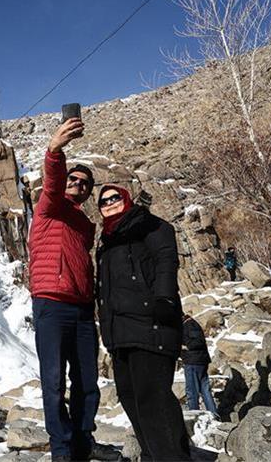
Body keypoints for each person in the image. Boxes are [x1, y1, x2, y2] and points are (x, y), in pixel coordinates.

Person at [28, 117, 116, 462]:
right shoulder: (48, 208)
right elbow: (51, 183)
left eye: (85, 183)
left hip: (81, 311)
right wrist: (55, 149)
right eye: (73, 179)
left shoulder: (84, 223)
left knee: (88, 384)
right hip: (50, 305)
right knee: (53, 382)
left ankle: (82, 443)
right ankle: (61, 450)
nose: (78, 184)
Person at [96, 185, 191, 461]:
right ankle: (154, 454)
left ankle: (172, 457)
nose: (110, 203)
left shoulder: (149, 225)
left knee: (153, 397)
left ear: (126, 200)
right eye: (104, 201)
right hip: (120, 332)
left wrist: (164, 299)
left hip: (152, 323)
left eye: (115, 198)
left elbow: (165, 260)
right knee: (129, 396)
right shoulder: (107, 241)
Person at [182, 314, 218, 416]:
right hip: (199, 361)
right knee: (205, 390)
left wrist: (185, 346)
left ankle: (195, 416)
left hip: (193, 362)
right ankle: (214, 414)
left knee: (192, 392)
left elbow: (198, 342)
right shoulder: (190, 324)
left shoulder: (189, 325)